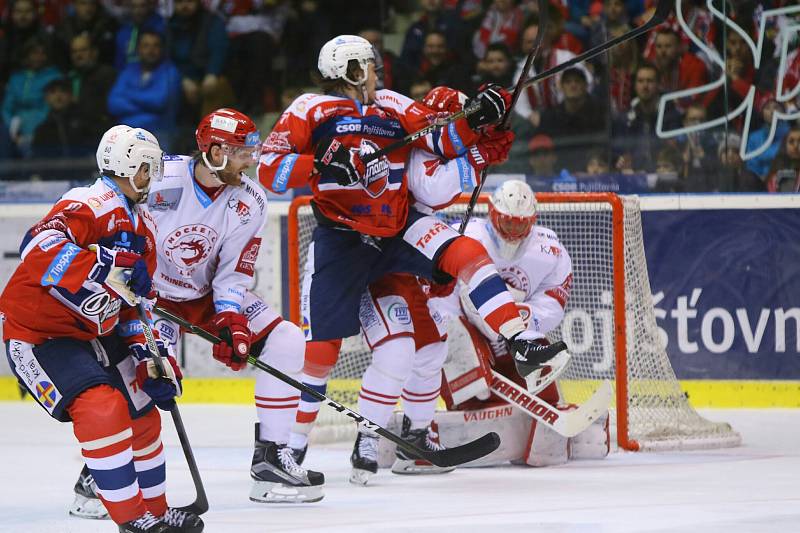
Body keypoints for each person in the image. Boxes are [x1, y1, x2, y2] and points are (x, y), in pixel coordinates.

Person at [257, 35, 567, 476]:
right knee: (322, 351)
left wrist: (479, 117)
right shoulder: (310, 108)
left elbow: (438, 136)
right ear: (351, 70)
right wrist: (322, 165)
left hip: (397, 230)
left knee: (466, 251)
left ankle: (520, 341)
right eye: (370, 66)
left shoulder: (390, 104)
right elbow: (270, 166)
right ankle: (290, 449)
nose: (378, 73)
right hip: (342, 238)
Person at [68, 109, 323, 512]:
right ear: (216, 150)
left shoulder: (250, 200)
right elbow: (114, 215)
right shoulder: (160, 177)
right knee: (147, 378)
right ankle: (96, 475)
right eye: (242, 152)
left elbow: (233, 272)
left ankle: (271, 458)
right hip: (149, 299)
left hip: (202, 297)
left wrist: (231, 319)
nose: (251, 160)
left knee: (286, 340)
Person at [0, 125, 203, 532]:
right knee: (102, 406)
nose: (153, 175)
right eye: (148, 166)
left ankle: (157, 511)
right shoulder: (90, 203)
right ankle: (132, 520)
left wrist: (150, 356)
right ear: (128, 166)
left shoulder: (141, 227)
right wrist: (104, 267)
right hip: (38, 334)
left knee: (144, 408)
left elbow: (134, 307)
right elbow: (35, 247)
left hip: (93, 330)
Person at [341, 86, 515, 484]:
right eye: (454, 118)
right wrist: (479, 153)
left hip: (406, 258)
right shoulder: (416, 143)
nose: (457, 125)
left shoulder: (438, 142)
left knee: (432, 347)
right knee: (397, 352)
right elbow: (430, 188)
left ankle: (415, 441)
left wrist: (489, 126)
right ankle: (366, 438)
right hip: (373, 259)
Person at [401, 180, 607, 468]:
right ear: (492, 213)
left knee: (540, 360)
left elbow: (553, 303)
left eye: (519, 225)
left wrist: (521, 316)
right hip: (465, 328)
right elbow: (436, 293)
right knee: (457, 357)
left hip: (513, 331)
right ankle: (465, 416)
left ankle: (546, 413)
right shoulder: (464, 235)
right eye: (506, 223)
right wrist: (455, 324)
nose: (511, 232)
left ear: (532, 222)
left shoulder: (549, 250)